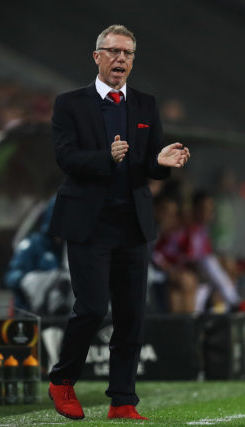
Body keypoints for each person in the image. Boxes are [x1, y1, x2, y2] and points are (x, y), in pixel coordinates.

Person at [46, 25, 190, 421]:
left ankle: (123, 401)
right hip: (89, 224)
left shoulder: (145, 104)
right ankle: (62, 380)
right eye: (113, 51)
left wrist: (160, 164)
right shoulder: (69, 104)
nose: (120, 59)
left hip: (133, 224)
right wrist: (105, 158)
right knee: (92, 308)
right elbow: (66, 158)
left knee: (131, 317)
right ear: (97, 57)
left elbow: (146, 165)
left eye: (127, 53)